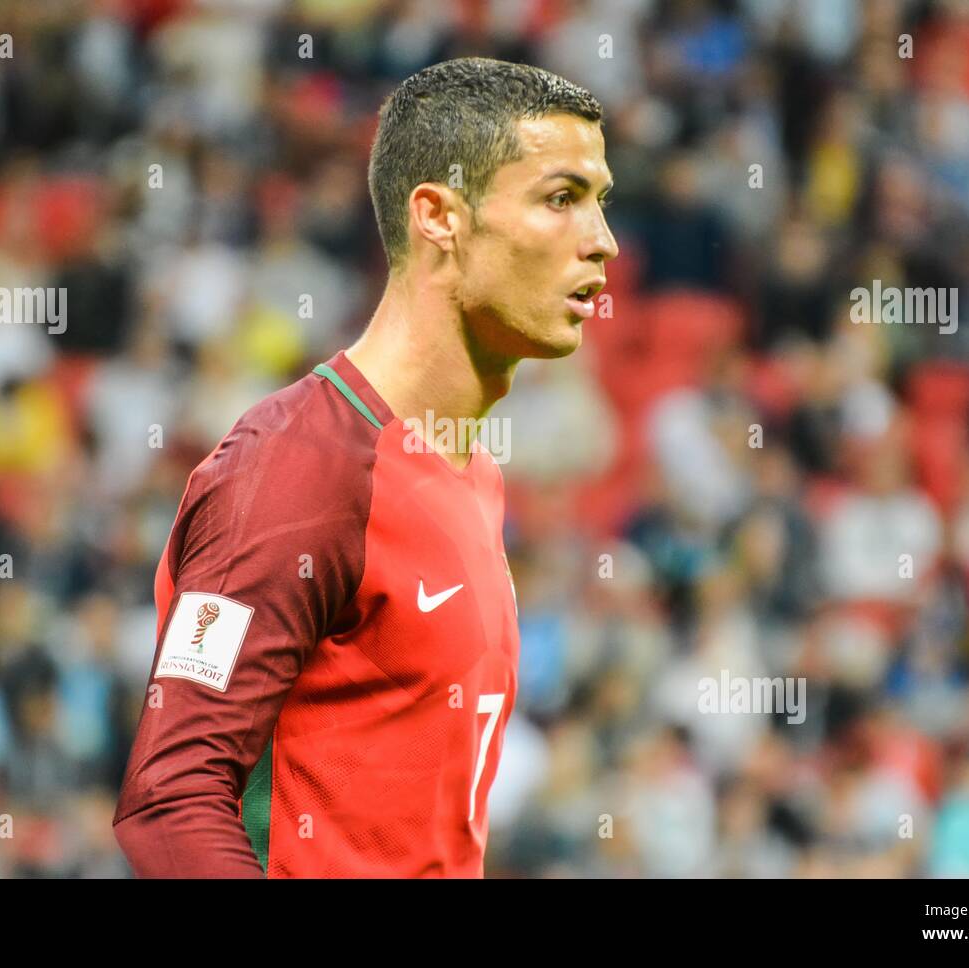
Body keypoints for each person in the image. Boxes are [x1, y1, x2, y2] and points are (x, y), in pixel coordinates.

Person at [112, 56, 619, 877]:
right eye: (562, 199)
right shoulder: (297, 471)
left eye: (601, 203)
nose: (604, 242)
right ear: (438, 217)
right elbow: (171, 802)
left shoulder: (476, 478)